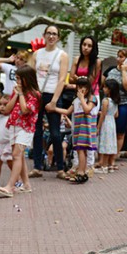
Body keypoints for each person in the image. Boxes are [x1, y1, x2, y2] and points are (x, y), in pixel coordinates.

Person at [31, 25, 69, 177]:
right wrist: (33, 94)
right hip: (38, 95)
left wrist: (54, 101)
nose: (51, 36)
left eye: (54, 34)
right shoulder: (36, 54)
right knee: (37, 132)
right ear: (44, 35)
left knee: (55, 133)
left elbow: (62, 79)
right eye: (49, 33)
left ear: (58, 37)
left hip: (54, 95)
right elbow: (31, 76)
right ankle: (37, 167)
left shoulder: (62, 55)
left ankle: (60, 168)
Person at [0, 65, 39, 197]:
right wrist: (16, 95)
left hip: (26, 128)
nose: (17, 81)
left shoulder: (34, 94)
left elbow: (25, 109)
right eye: (17, 78)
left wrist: (20, 94)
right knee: (18, 156)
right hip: (14, 125)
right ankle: (26, 184)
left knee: (16, 155)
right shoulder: (16, 91)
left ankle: (11, 185)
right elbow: (8, 109)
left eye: (20, 79)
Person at [50, 76, 97, 184]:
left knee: (81, 150)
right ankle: (82, 171)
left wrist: (81, 99)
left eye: (84, 87)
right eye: (79, 87)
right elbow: (67, 112)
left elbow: (87, 110)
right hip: (77, 127)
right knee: (80, 150)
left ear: (88, 88)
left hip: (86, 128)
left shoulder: (92, 98)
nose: (81, 89)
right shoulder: (75, 100)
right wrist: (54, 108)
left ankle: (81, 172)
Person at [65, 36, 101, 176]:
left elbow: (90, 82)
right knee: (76, 130)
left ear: (93, 48)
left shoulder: (97, 62)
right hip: (78, 97)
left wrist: (78, 81)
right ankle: (76, 164)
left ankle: (89, 165)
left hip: (91, 96)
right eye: (84, 44)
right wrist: (80, 82)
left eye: (89, 45)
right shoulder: (76, 59)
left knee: (88, 132)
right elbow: (71, 76)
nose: (85, 47)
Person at [102, 49, 127, 160]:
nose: (119, 59)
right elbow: (102, 84)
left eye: (122, 57)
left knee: (119, 132)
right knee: (107, 129)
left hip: (123, 104)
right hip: (109, 104)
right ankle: (104, 154)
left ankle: (114, 156)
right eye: (118, 56)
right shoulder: (110, 70)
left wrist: (123, 71)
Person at [95, 79, 119, 173]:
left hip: (105, 123)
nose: (103, 89)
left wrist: (98, 127)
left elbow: (103, 115)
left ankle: (104, 165)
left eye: (105, 87)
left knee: (104, 142)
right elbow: (116, 114)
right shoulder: (115, 101)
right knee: (110, 142)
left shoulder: (105, 101)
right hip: (112, 122)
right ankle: (108, 164)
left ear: (110, 89)